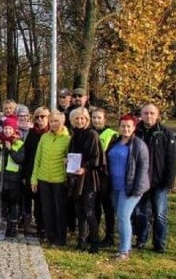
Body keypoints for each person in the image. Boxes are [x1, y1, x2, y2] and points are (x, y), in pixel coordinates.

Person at [132, 103, 176, 253]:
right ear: (141, 115)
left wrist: (169, 182)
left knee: (159, 214)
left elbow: (171, 160)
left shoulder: (165, 133)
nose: (148, 116)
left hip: (159, 182)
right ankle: (141, 239)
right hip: (141, 181)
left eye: (152, 113)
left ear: (157, 115)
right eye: (145, 113)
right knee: (141, 213)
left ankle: (159, 243)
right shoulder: (136, 132)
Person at [107, 114, 150, 260]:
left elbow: (143, 169)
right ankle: (125, 244)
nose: (125, 129)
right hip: (115, 187)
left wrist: (137, 189)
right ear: (119, 127)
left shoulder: (139, 145)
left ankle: (124, 250)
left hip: (130, 188)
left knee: (123, 216)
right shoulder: (115, 142)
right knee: (120, 217)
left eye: (128, 126)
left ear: (134, 128)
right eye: (123, 126)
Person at [67, 108, 104, 252]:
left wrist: (85, 168)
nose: (80, 121)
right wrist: (68, 161)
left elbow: (96, 157)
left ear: (87, 119)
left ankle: (95, 242)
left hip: (89, 178)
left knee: (89, 211)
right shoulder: (74, 136)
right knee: (79, 211)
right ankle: (81, 240)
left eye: (82, 118)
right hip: (76, 177)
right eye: (77, 118)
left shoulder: (92, 134)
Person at [31, 111, 71, 245]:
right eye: (52, 121)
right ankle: (49, 235)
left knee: (59, 211)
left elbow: (70, 160)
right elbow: (37, 158)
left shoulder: (67, 139)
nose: (54, 124)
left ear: (63, 122)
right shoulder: (44, 137)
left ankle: (60, 238)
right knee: (47, 210)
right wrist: (34, 178)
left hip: (59, 180)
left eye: (56, 121)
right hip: (43, 179)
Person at [0, 116, 25, 238]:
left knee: (13, 204)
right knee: (2, 203)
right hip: (0, 178)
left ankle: (13, 226)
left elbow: (20, 159)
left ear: (14, 130)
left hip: (13, 179)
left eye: (10, 129)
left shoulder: (19, 143)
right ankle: (2, 225)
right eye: (5, 128)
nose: (7, 131)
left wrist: (11, 150)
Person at [21, 107, 50, 237]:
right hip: (30, 171)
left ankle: (44, 227)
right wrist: (24, 174)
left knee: (41, 202)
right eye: (37, 117)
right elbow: (26, 154)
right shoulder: (32, 133)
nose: (40, 119)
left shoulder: (51, 133)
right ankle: (29, 225)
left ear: (48, 117)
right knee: (28, 198)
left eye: (42, 116)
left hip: (46, 172)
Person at [91, 108, 118, 246]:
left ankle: (109, 236)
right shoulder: (90, 132)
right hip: (92, 175)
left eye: (99, 118)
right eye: (94, 117)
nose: (96, 120)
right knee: (95, 207)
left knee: (107, 208)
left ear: (104, 119)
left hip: (106, 176)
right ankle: (94, 234)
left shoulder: (112, 135)